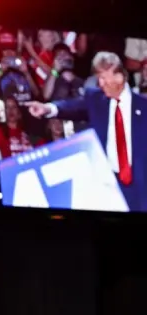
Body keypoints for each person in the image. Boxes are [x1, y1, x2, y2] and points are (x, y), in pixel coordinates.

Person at [26, 51, 147, 211]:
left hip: (138, 186)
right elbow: (72, 106)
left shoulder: (143, 106)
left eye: (104, 78)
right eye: (98, 78)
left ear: (119, 77)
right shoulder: (96, 99)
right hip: (105, 183)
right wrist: (48, 108)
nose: (100, 84)